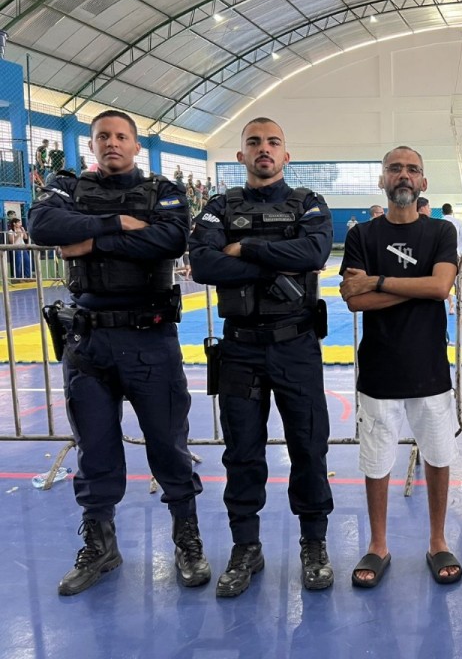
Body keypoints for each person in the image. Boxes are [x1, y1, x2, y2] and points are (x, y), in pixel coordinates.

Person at [29, 109, 209, 596]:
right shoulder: (69, 188)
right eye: (103, 136)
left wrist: (84, 240)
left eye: (121, 136)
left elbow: (170, 238)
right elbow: (42, 224)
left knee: (169, 446)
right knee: (95, 450)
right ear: (92, 145)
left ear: (135, 145)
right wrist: (117, 224)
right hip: (87, 341)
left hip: (149, 338)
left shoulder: (163, 192)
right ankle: (101, 545)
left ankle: (187, 539)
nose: (112, 143)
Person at [189, 117, 335, 597]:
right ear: (241, 157)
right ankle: (245, 546)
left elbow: (313, 252)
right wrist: (275, 253)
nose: (264, 149)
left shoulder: (309, 203)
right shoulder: (216, 206)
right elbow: (204, 263)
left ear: (286, 155)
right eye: (254, 142)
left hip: (295, 345)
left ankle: (314, 543)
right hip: (240, 348)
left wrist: (246, 247)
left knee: (309, 447)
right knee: (242, 451)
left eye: (274, 142)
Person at [339, 146, 461, 588]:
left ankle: (437, 539)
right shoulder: (362, 236)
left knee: (439, 456)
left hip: (429, 366)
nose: (403, 175)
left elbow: (443, 285)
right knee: (376, 460)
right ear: (382, 180)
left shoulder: (441, 231)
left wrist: (379, 281)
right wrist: (420, 287)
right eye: (395, 168)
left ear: (424, 182)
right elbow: (355, 299)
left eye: (412, 169)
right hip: (380, 368)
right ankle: (378, 544)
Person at [441, 202, 462, 314]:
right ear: (452, 211)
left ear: (442, 212)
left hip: (441, 257)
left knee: (446, 281)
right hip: (455, 256)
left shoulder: (439, 222)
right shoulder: (458, 222)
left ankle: (451, 305)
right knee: (460, 281)